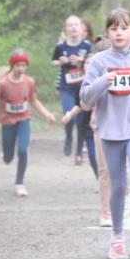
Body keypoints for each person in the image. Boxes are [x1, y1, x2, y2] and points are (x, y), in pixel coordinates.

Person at [81, 9, 130, 259]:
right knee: (118, 186)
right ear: (107, 32)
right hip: (111, 131)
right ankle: (117, 238)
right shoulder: (99, 62)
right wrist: (104, 80)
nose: (119, 33)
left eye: (124, 28)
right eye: (114, 28)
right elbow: (85, 98)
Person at [0, 51, 56, 197]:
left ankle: (20, 183)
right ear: (12, 66)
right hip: (7, 122)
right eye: (18, 65)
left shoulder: (29, 82)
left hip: (24, 120)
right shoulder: (3, 83)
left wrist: (46, 114)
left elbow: (33, 100)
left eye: (23, 65)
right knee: (8, 158)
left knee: (23, 150)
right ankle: (6, 155)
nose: (21, 68)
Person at [51, 15, 92, 161]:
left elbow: (93, 61)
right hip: (67, 88)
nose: (73, 27)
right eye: (70, 25)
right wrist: (60, 62)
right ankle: (68, 137)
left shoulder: (87, 46)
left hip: (82, 88)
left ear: (81, 28)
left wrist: (82, 60)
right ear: (66, 29)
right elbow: (53, 62)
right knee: (69, 117)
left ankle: (78, 153)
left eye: (76, 25)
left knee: (81, 121)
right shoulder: (60, 46)